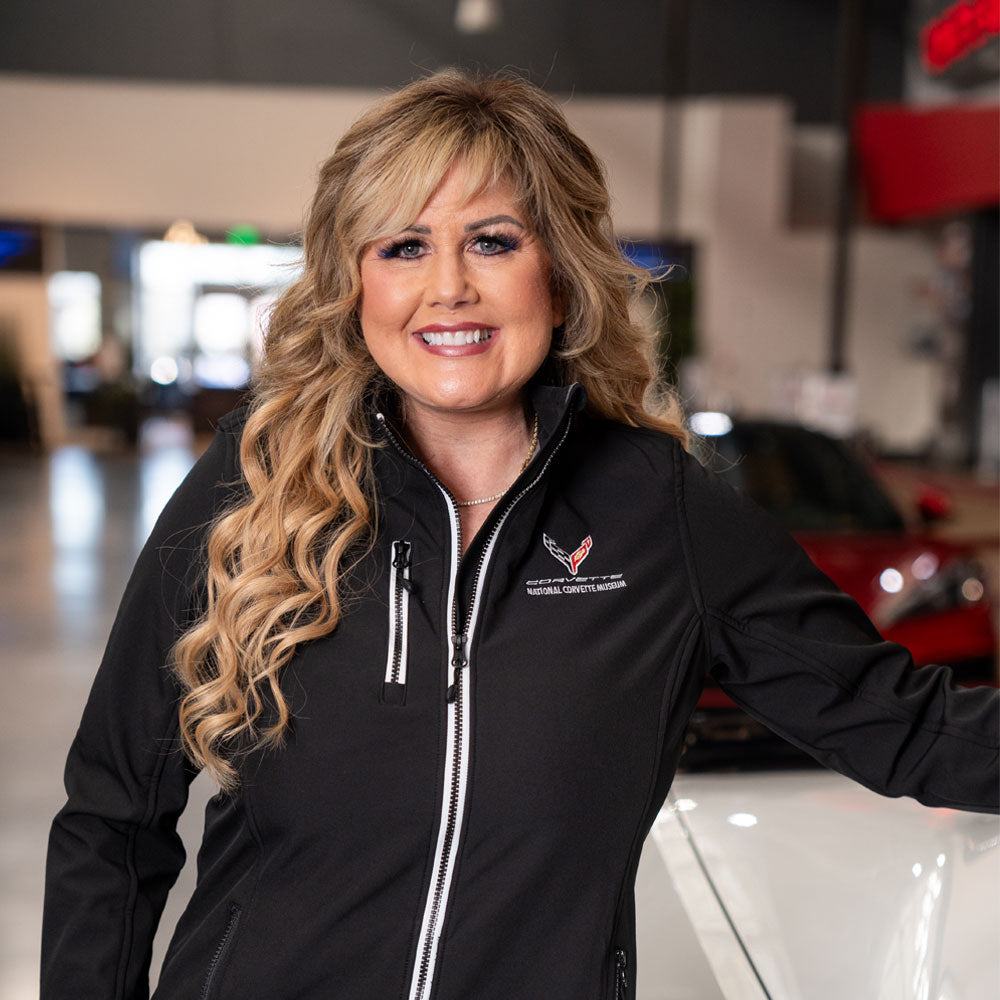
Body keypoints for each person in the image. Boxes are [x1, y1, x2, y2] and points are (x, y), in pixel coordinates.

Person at [42, 71, 998, 1000]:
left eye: (492, 241)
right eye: (404, 246)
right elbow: (113, 816)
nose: (447, 287)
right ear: (354, 282)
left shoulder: (657, 515)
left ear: (560, 269)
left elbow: (908, 725)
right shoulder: (254, 484)